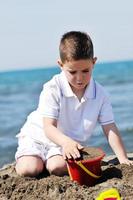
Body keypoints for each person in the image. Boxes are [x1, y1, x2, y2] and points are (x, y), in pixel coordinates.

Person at [15, 31, 133, 177]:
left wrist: (122, 157)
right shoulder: (53, 88)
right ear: (61, 65)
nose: (79, 78)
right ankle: (31, 159)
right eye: (72, 72)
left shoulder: (100, 94)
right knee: (29, 169)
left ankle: (47, 160)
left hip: (65, 143)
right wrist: (65, 142)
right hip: (40, 137)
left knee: (57, 167)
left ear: (93, 63)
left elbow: (109, 127)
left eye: (85, 71)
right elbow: (48, 127)